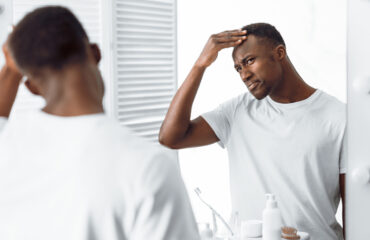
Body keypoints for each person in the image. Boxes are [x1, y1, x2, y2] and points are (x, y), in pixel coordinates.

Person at [0, 6, 199, 240]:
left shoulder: (7, 143)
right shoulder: (148, 167)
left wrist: (13, 68)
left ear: (31, 86)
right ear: (95, 52)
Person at [159, 23, 346, 240]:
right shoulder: (237, 111)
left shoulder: (339, 116)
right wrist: (200, 65)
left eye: (249, 61)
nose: (244, 74)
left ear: (279, 53)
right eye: (238, 68)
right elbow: (170, 137)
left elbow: (356, 206)